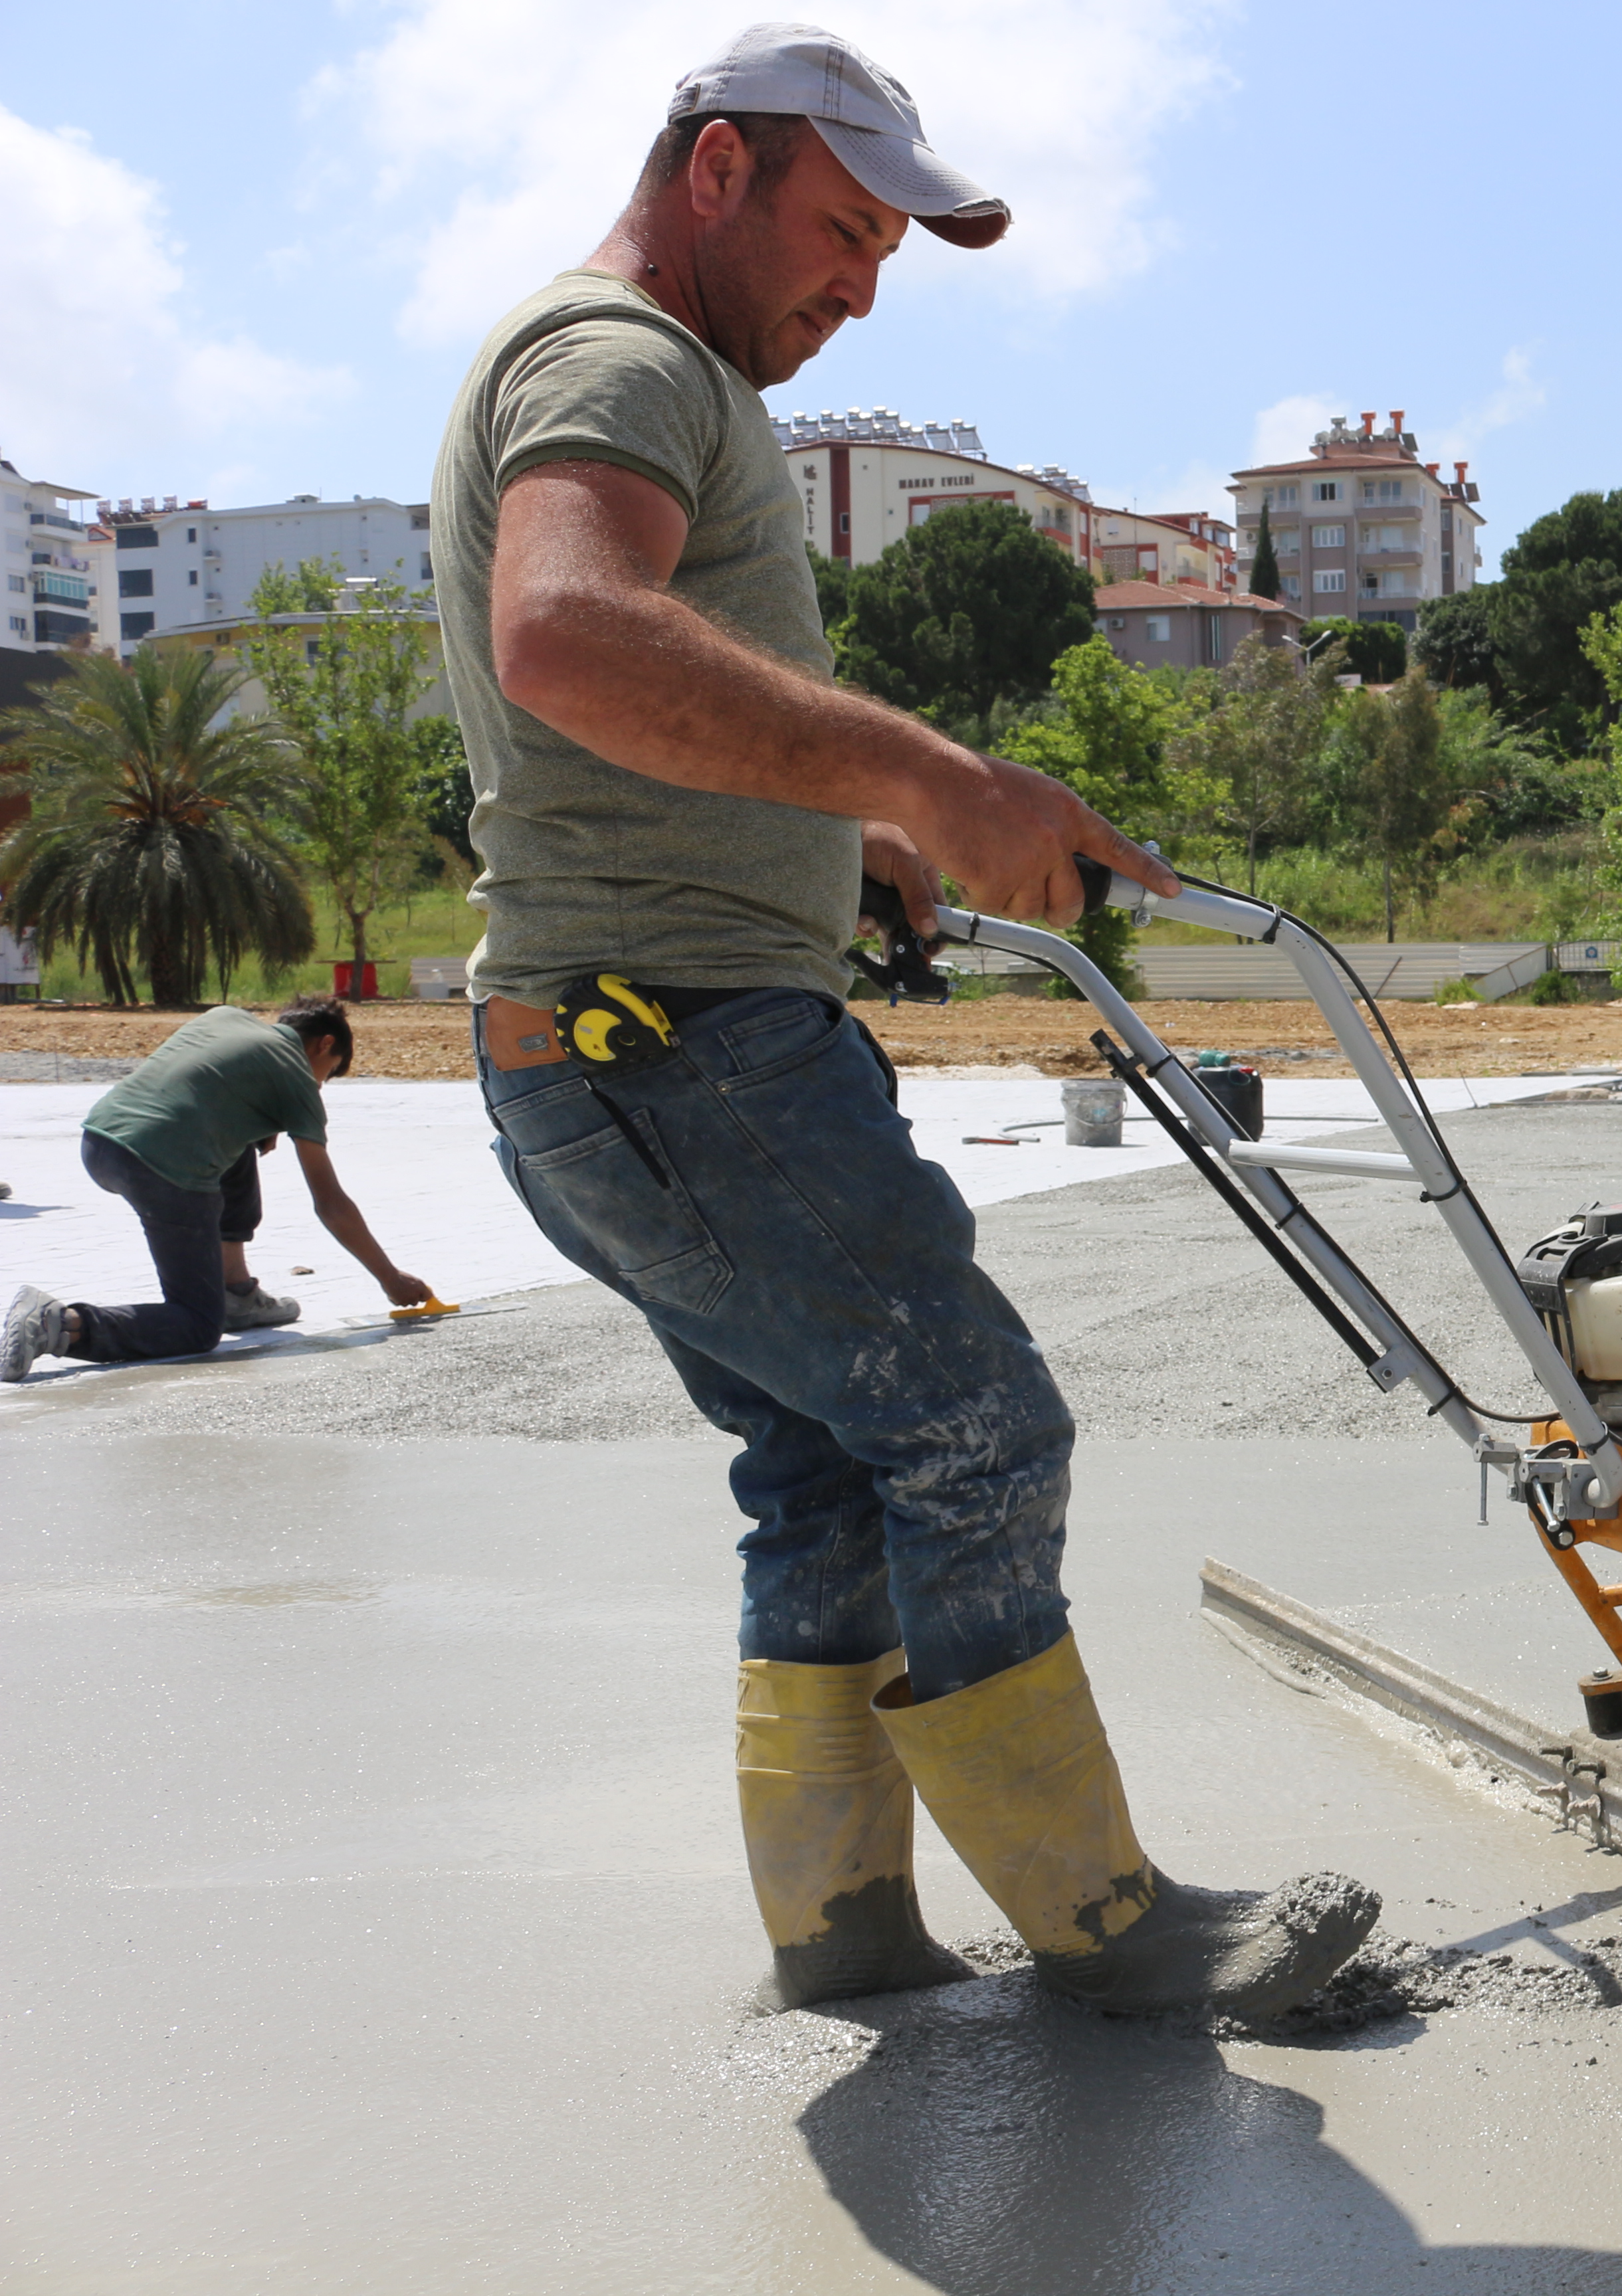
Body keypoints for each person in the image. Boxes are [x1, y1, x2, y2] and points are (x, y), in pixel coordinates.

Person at [431, 24, 1374, 2016]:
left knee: (834, 1463)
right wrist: (939, 777)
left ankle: (843, 1924)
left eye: (886, 253)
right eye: (842, 228)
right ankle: (1112, 1928)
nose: (860, 286)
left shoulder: (644, 367)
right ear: (715, 175)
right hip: (675, 1049)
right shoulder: (625, 362)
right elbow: (569, 635)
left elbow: (622, 714)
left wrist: (837, 827)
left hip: (625, 1044)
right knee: (973, 1422)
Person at [3, 998, 434, 1383]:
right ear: (323, 1045)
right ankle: (60, 1323)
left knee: (241, 1145)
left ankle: (236, 1293)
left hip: (99, 1142)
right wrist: (390, 1278)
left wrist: (257, 1126)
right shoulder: (298, 1081)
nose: (320, 1085)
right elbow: (330, 1203)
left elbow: (197, 1085)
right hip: (163, 1169)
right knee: (197, 1325)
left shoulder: (225, 1017)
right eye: (328, 1074)